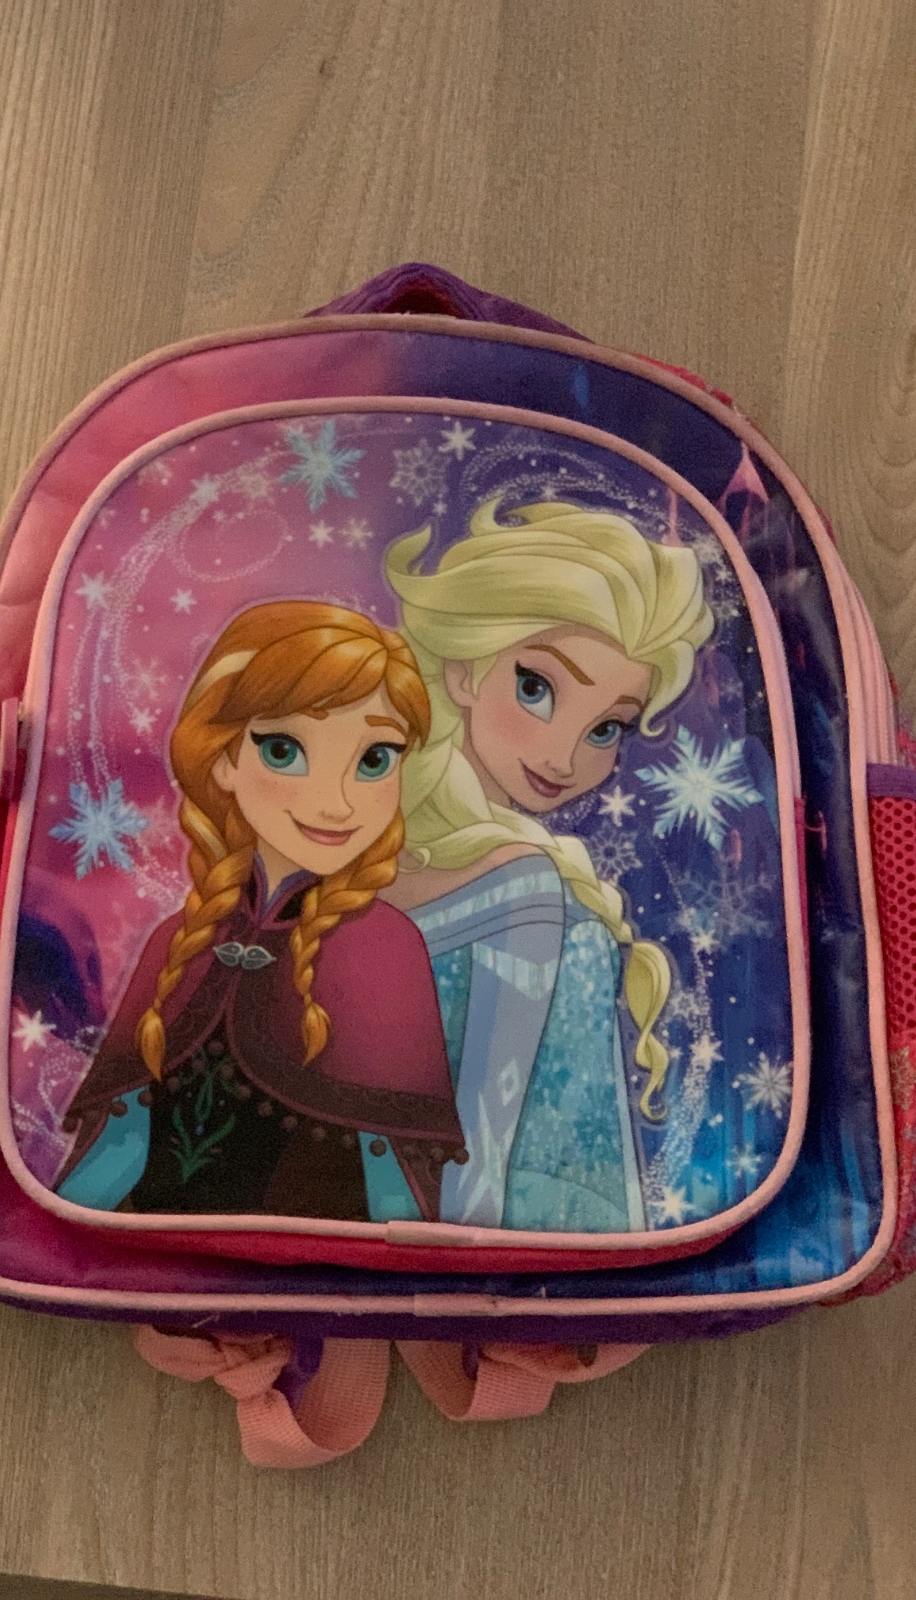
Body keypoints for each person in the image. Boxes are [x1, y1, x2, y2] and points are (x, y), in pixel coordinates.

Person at [53, 601, 464, 1222]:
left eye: (374, 760)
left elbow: (396, 1197)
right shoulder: (180, 938)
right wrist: (61, 1232)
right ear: (222, 758)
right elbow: (119, 1150)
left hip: (332, 1268)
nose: (335, 802)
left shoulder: (385, 948)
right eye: (283, 749)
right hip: (148, 1256)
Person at [379, 498, 713, 1232]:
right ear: (464, 669)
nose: (563, 757)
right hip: (502, 1232)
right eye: (536, 687)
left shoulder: (351, 845)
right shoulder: (523, 882)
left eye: (607, 729)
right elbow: (481, 1147)